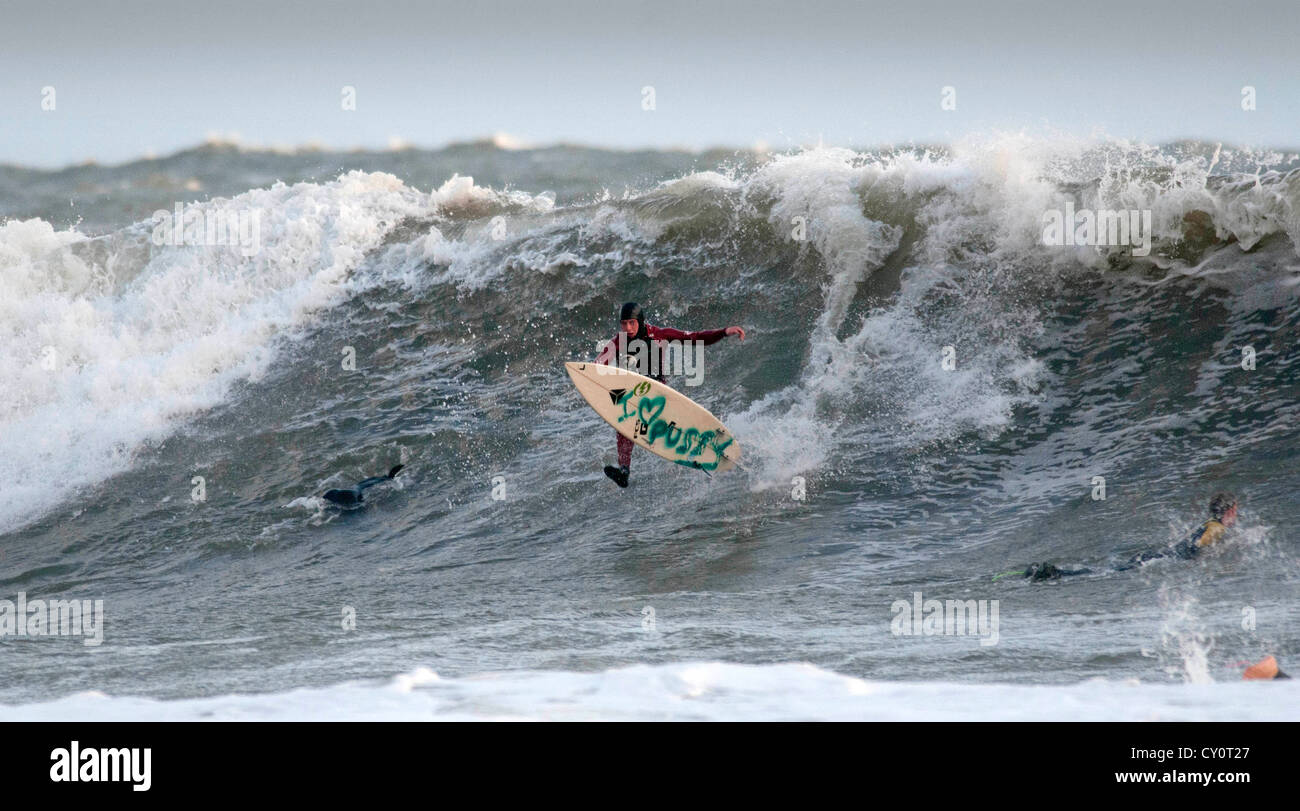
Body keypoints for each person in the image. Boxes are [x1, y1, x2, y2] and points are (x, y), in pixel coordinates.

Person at [595, 301, 745, 487]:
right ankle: (624, 471)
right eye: (623, 323)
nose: (627, 328)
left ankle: (708, 446)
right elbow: (599, 365)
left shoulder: (660, 335)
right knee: (623, 423)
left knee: (674, 423)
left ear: (640, 321)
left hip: (659, 394)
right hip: (635, 395)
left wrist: (724, 332)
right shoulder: (619, 341)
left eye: (631, 323)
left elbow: (695, 338)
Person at [1017, 492, 1239, 581]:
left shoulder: (1207, 523)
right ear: (1228, 511)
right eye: (1235, 511)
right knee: (1110, 571)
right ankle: (1056, 573)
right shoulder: (1217, 528)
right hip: (1165, 558)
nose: (1236, 515)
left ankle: (1055, 572)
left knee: (1112, 568)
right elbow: (1200, 543)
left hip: (1161, 554)